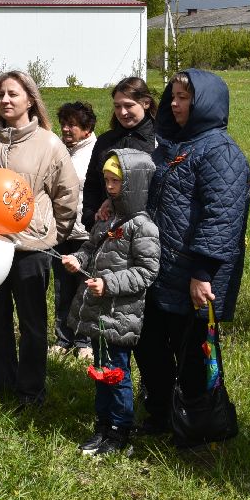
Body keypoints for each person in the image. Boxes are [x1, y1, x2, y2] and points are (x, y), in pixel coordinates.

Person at [140, 69, 250, 438]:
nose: (174, 103)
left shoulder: (221, 152)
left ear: (205, 101)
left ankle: (199, 425)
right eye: (173, 96)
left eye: (184, 97)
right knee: (151, 348)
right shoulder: (171, 146)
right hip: (156, 269)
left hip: (193, 275)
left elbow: (223, 217)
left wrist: (202, 272)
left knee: (193, 354)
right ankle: (160, 415)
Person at [0, 71, 80, 412]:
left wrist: (53, 234)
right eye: (0, 93)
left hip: (31, 248)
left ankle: (31, 392)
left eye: (12, 94)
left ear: (30, 99)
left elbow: (67, 195)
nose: (5, 99)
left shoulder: (49, 144)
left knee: (32, 322)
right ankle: (1, 383)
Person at [61, 148, 160, 457]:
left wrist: (109, 283)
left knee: (116, 373)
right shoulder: (108, 217)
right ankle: (102, 426)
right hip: (98, 311)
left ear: (133, 184)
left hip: (120, 314)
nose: (109, 187)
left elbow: (147, 271)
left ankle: (119, 431)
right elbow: (90, 248)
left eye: (115, 181)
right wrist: (76, 260)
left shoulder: (143, 227)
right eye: (106, 180)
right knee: (101, 370)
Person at [53, 100, 99, 358]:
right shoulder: (60, 151)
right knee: (62, 289)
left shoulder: (96, 151)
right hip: (60, 232)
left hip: (86, 233)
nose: (66, 130)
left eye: (72, 125)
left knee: (85, 288)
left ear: (87, 127)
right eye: (63, 124)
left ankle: (84, 342)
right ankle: (63, 339)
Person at [82, 77, 159, 229]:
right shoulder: (105, 141)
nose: (122, 112)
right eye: (117, 106)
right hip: (107, 230)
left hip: (147, 232)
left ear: (146, 103)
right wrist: (91, 217)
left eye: (129, 105)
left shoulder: (159, 141)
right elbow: (92, 183)